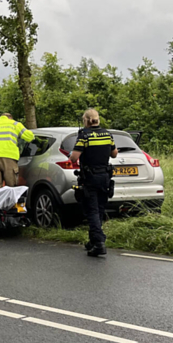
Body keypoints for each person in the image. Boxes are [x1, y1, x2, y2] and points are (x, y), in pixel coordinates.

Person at [70, 108, 118, 257]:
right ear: (98, 120)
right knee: (99, 209)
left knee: (92, 210)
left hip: (90, 178)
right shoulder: (107, 134)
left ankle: (98, 243)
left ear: (85, 120)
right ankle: (93, 241)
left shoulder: (84, 136)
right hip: (105, 177)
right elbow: (114, 154)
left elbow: (73, 157)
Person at [0, 112, 34, 191]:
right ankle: (10, 203)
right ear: (10, 118)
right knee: (11, 186)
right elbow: (30, 137)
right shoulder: (15, 124)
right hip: (9, 158)